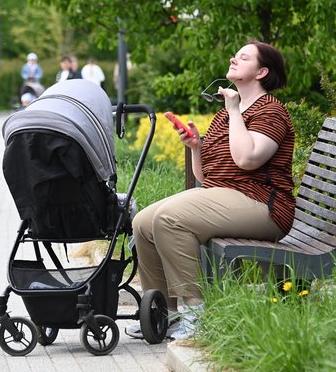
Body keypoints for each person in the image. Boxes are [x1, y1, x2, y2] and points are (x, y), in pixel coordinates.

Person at [126, 40, 295, 341]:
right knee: (142, 223)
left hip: (263, 205)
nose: (233, 59)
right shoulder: (228, 114)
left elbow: (247, 159)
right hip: (228, 196)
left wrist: (233, 111)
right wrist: (196, 148)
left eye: (243, 57)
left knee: (168, 219)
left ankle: (195, 314)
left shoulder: (271, 111)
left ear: (261, 72)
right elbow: (206, 176)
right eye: (235, 55)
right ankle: (162, 314)